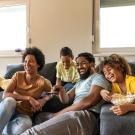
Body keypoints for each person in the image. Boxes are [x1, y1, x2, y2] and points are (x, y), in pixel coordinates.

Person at [21, 52, 111, 135]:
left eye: (83, 63)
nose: (80, 67)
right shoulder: (80, 81)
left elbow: (88, 102)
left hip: (84, 115)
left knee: (32, 133)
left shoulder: (98, 78)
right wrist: (61, 90)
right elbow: (66, 99)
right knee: (39, 117)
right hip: (74, 114)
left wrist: (57, 115)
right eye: (78, 64)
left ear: (92, 64)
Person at [0, 47, 52, 135]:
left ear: (38, 64)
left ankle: (4, 129)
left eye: (31, 61)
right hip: (9, 110)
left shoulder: (43, 82)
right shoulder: (17, 75)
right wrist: (28, 98)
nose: (27, 64)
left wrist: (43, 100)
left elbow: (53, 93)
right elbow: (5, 94)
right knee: (10, 101)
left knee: (27, 125)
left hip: (23, 116)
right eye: (25, 61)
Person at [99, 54, 135, 135]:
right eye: (104, 72)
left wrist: (128, 107)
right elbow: (111, 94)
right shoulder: (114, 85)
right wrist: (102, 92)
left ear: (120, 68)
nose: (107, 73)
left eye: (109, 69)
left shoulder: (132, 81)